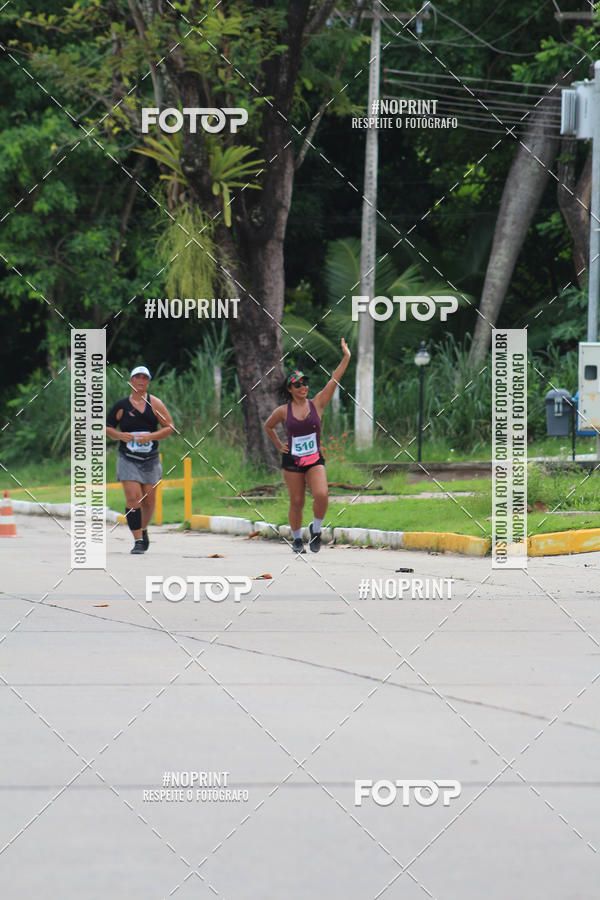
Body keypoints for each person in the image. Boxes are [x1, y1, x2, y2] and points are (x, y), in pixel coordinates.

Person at [264, 339, 351, 553]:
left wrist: (346, 357)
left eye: (305, 382)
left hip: (313, 458)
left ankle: (316, 530)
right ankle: (296, 539)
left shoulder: (318, 403)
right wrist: (278, 445)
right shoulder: (283, 411)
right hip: (292, 460)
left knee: (321, 494)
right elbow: (268, 426)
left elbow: (334, 379)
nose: (303, 387)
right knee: (297, 500)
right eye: (298, 384)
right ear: (290, 389)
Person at [106, 366, 175, 554]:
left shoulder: (155, 404)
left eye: (145, 378)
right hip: (127, 458)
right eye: (137, 377)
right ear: (131, 381)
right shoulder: (122, 406)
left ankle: (143, 530)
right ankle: (137, 540)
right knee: (133, 498)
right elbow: (107, 427)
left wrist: (151, 437)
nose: (141, 381)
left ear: (148, 382)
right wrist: (120, 435)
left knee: (148, 500)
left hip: (150, 459)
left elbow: (169, 427)